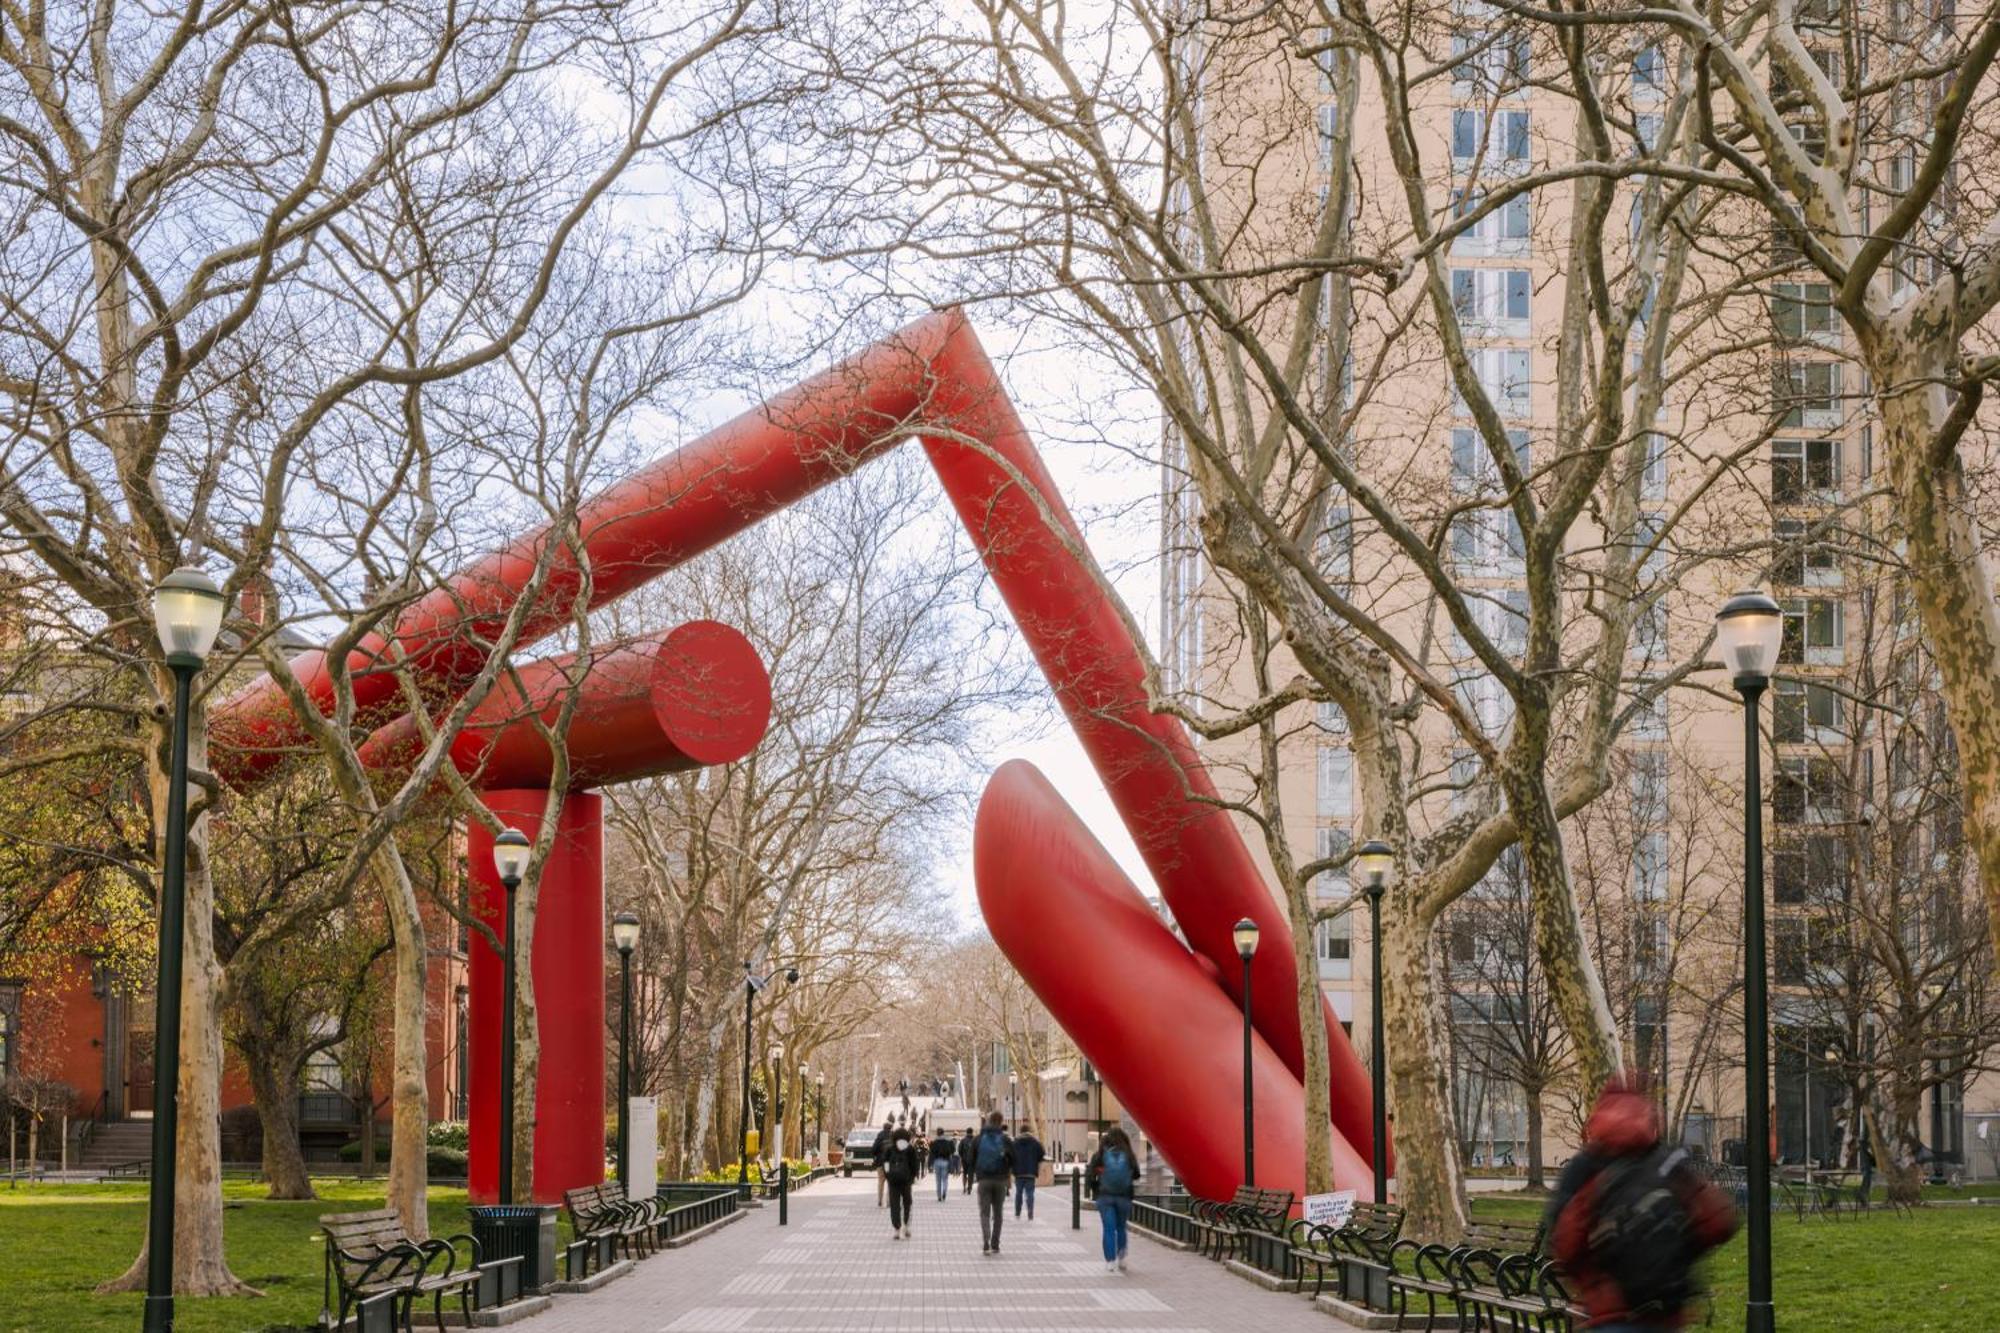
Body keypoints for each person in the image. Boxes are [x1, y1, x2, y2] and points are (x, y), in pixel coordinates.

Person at [1544, 1074, 1738, 1331]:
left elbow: (1564, 1245)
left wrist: (1590, 1279)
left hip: (1610, 1313)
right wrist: (1682, 1251)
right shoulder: (1666, 1162)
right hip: (1666, 1311)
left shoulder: (1586, 1166)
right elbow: (1719, 1222)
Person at [1086, 1126, 1137, 1273]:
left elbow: (1090, 1174)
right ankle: (1122, 1258)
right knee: (1121, 1227)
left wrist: (1096, 1189)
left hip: (1105, 1197)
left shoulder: (1101, 1154)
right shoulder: (1128, 1155)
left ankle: (1110, 1261)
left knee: (1108, 1229)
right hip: (1124, 1197)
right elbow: (1137, 1174)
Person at [972, 1112, 1015, 1254]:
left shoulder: (979, 1138)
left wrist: (975, 1173)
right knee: (998, 1213)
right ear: (1001, 1122)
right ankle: (995, 1243)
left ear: (988, 1121)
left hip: (983, 1180)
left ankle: (986, 1242)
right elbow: (1014, 1158)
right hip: (1000, 1180)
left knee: (984, 1213)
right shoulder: (1005, 1139)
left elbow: (970, 1157)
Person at [880, 1122, 921, 1240]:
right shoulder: (910, 1149)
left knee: (894, 1205)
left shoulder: (890, 1149)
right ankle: (907, 1226)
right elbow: (915, 1165)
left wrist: (888, 1175)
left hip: (893, 1182)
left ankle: (897, 1229)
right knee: (907, 1203)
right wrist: (912, 1177)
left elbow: (885, 1164)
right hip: (906, 1181)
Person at [1010, 1123, 1046, 1220]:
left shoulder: (1015, 1142)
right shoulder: (1035, 1142)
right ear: (1029, 1131)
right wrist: (1035, 1161)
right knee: (1030, 1193)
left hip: (1019, 1172)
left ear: (1020, 1131)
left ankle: (1017, 1212)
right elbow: (1042, 1153)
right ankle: (1030, 1212)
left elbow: (1010, 1155)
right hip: (1031, 1172)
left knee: (1018, 1192)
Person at [929, 1125, 958, 1201]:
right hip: (945, 1161)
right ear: (943, 1133)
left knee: (938, 1180)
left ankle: (939, 1196)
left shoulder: (934, 1142)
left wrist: (930, 1164)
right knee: (945, 1179)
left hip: (937, 1161)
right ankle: (944, 1192)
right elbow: (953, 1150)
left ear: (937, 1133)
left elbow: (931, 1153)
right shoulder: (948, 1141)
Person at [870, 1118, 894, 1209]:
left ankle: (880, 1201)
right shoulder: (893, 1136)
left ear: (883, 1128)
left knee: (881, 1181)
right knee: (890, 1182)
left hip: (880, 1162)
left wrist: (877, 1155)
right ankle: (889, 1202)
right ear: (891, 1128)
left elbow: (873, 1150)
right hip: (890, 1163)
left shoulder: (880, 1136)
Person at [957, 1126, 977, 1195]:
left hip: (964, 1160)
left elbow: (959, 1150)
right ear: (972, 1132)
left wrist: (962, 1156)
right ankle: (969, 1188)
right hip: (972, 1161)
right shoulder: (975, 1140)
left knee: (964, 1174)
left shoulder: (963, 1140)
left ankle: (964, 1187)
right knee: (971, 1175)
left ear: (966, 1132)